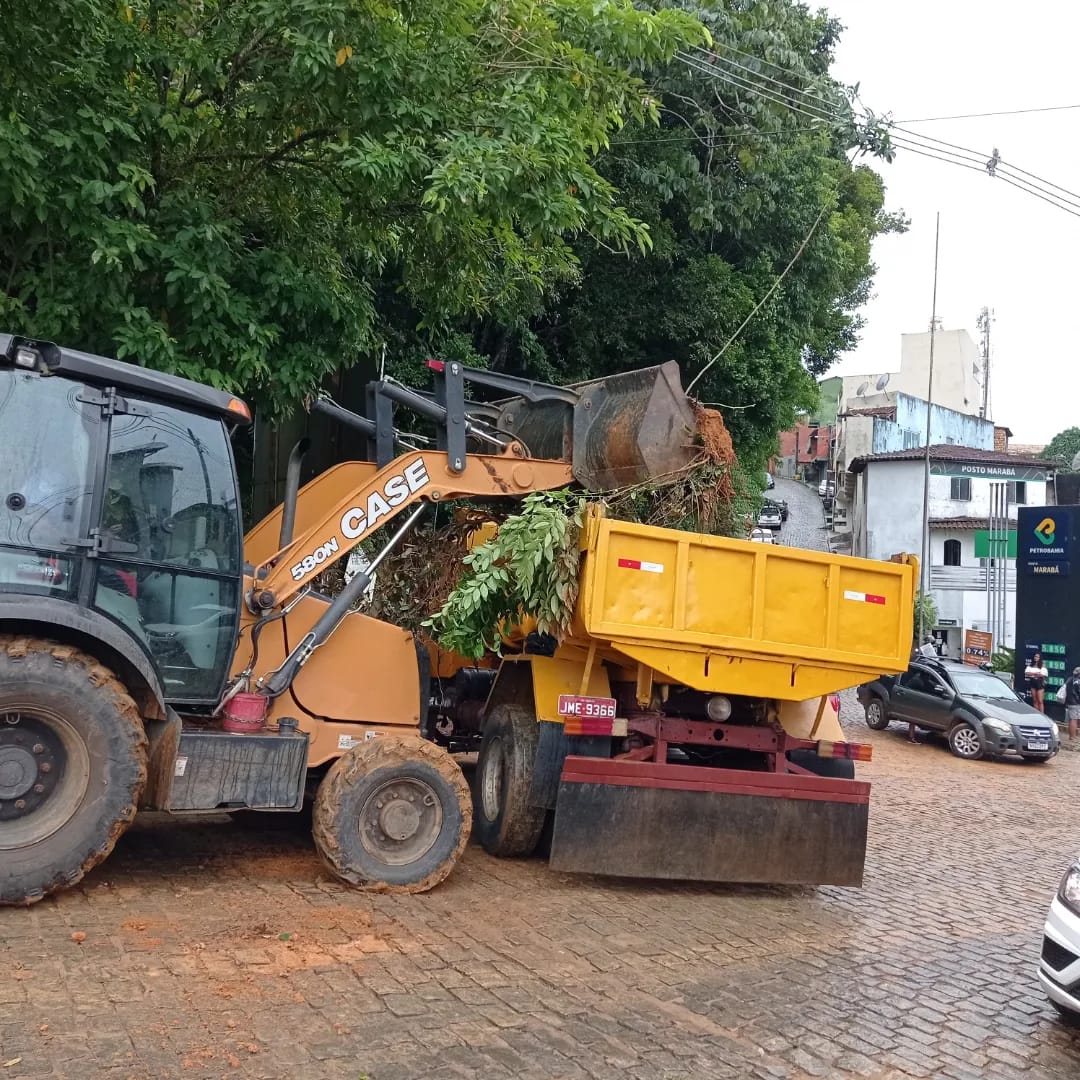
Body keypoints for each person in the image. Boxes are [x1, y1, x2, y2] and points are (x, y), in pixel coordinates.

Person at [1065, 667, 1080, 742]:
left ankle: (1071, 736)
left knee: (1072, 719)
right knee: (1074, 720)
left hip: (1070, 702)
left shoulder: (1069, 679)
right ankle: (1072, 737)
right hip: (1075, 702)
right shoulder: (1078, 682)